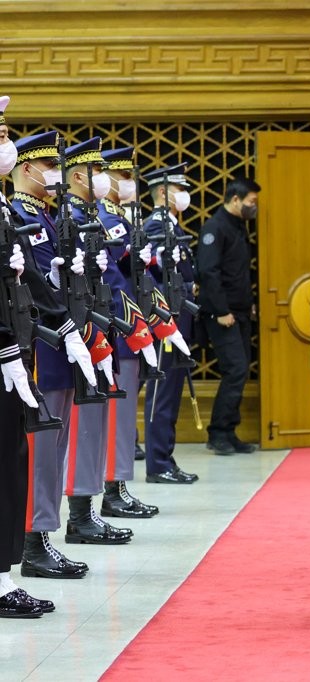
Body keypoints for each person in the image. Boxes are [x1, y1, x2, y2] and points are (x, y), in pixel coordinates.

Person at [12, 132, 124, 578]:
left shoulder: (49, 215)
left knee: (54, 447)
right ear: (28, 169)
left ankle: (43, 534)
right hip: (43, 344)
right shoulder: (22, 214)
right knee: (39, 447)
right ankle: (32, 542)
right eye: (49, 167)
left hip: (67, 338)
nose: (55, 176)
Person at [0, 95, 75, 614]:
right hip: (5, 352)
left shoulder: (5, 209)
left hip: (14, 348)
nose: (5, 144)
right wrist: (7, 351)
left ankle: (3, 576)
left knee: (12, 459)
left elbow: (21, 278)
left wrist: (65, 326)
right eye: (1, 135)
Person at [97, 145, 168, 519]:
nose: (130, 184)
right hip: (122, 327)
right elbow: (113, 279)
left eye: (130, 177)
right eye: (123, 177)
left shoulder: (122, 219)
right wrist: (136, 321)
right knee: (117, 415)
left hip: (134, 325)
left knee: (125, 417)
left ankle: (119, 485)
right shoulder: (107, 220)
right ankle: (112, 489)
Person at [141, 163, 199, 485]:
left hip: (179, 318)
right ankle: (158, 463)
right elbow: (153, 273)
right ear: (164, 192)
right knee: (162, 392)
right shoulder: (155, 225)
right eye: (181, 189)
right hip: (166, 320)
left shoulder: (172, 225)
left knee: (173, 390)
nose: (185, 195)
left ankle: (166, 457)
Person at [195, 177, 261, 455]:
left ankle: (229, 431)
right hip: (222, 315)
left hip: (240, 312)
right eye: (252, 202)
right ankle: (218, 433)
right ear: (235, 199)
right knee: (235, 370)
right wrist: (222, 311)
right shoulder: (215, 227)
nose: (254, 207)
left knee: (240, 370)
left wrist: (249, 304)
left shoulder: (238, 226)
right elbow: (208, 272)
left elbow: (238, 272)